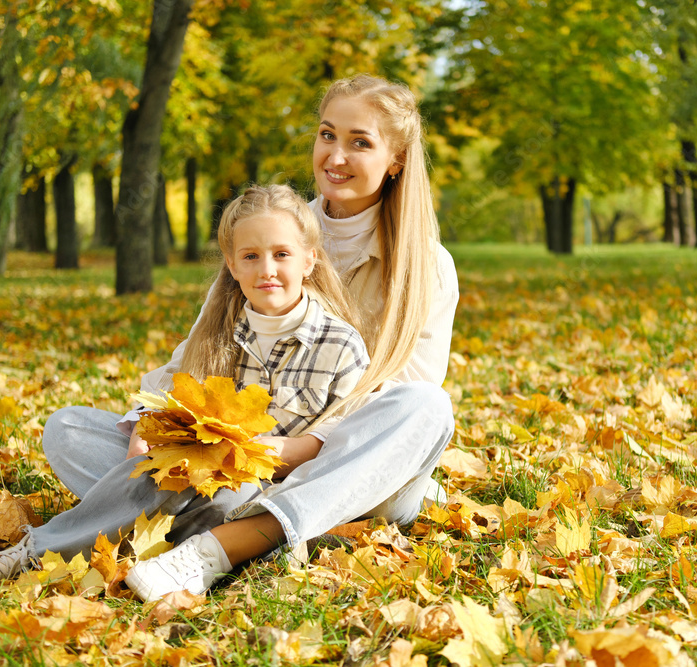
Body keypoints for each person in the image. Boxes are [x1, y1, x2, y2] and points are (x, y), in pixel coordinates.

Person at [121, 74, 460, 602]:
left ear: (395, 160)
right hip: (242, 457)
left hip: (340, 454)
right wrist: (150, 424)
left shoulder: (428, 267)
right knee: (74, 430)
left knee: (426, 407)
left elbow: (396, 401)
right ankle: (297, 513)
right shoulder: (270, 233)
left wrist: (292, 452)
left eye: (360, 142)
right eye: (328, 135)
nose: (336, 156)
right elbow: (195, 354)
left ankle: (218, 544)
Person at [0, 184, 370, 582]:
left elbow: (329, 447)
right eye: (251, 256)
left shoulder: (341, 345)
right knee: (67, 429)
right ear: (232, 265)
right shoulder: (219, 328)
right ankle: (172, 531)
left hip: (263, 492)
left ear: (309, 260)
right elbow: (163, 400)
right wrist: (144, 450)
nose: (266, 269)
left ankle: (39, 549)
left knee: (218, 493)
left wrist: (229, 457)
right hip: (191, 472)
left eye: (281, 254)